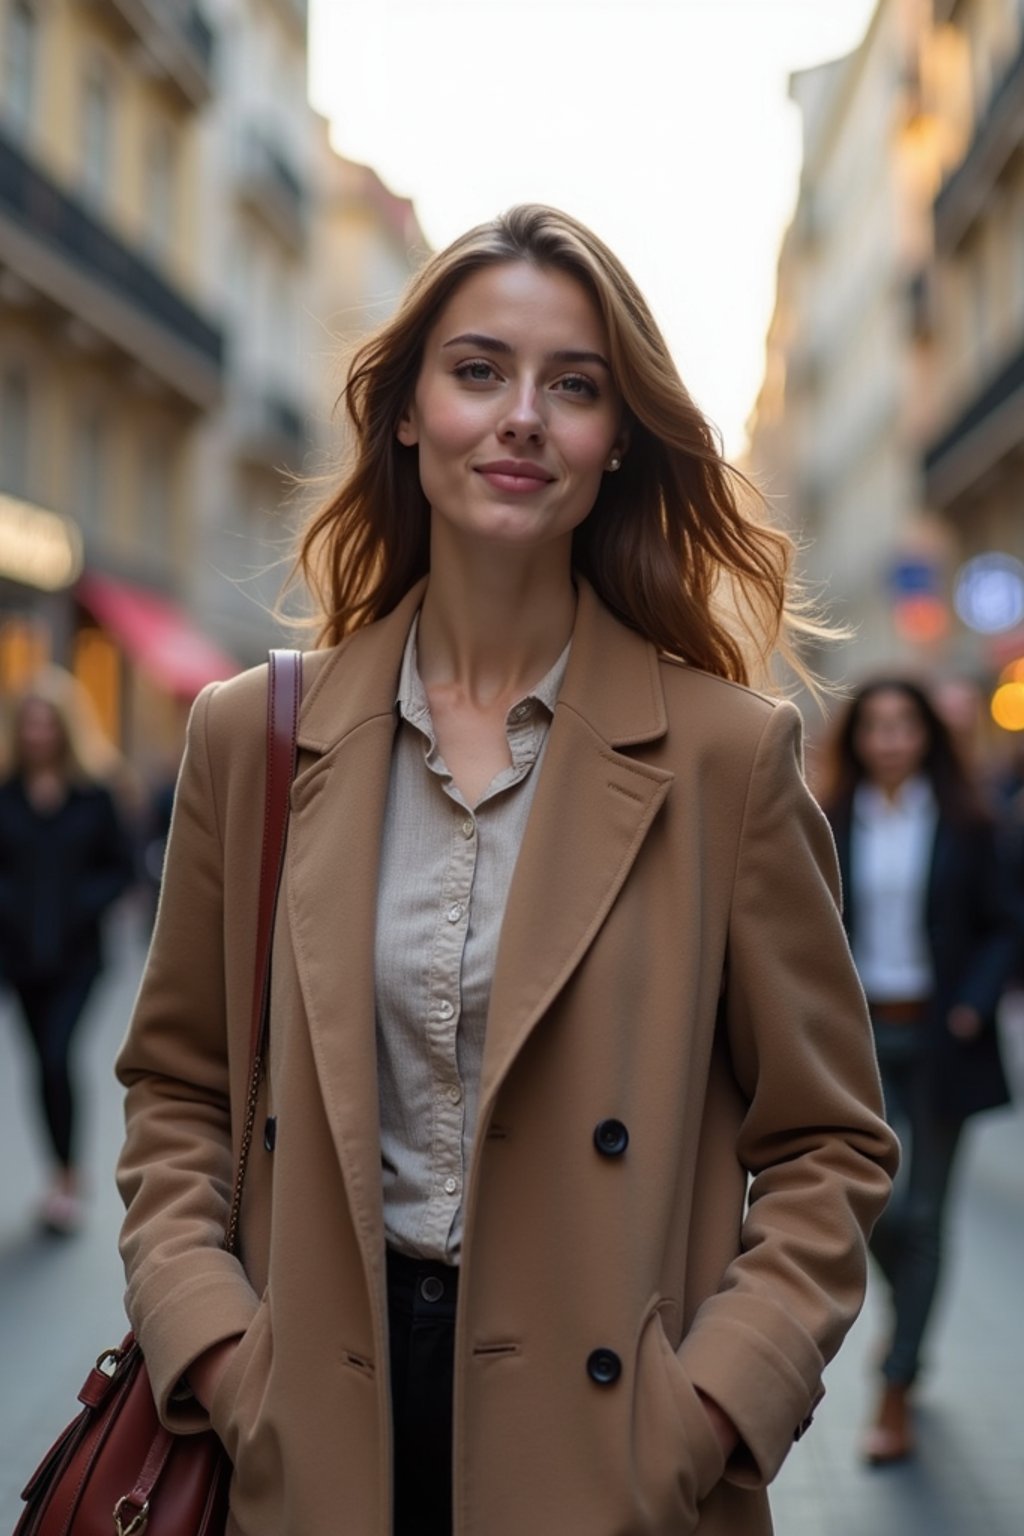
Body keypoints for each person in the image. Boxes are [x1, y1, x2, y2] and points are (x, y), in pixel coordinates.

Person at [115, 205, 898, 1536]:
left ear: (615, 445)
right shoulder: (254, 737)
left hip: (608, 1461)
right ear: (409, 412)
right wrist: (217, 1353)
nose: (523, 416)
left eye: (574, 387)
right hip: (310, 1428)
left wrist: (708, 1410)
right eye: (479, 370)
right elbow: (178, 1091)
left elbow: (830, 1143)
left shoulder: (724, 759)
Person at [820, 677, 1017, 1467]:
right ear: (858, 737)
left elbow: (1007, 922)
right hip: (857, 1039)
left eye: (906, 725)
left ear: (928, 735)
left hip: (941, 1039)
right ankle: (910, 1318)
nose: (891, 739)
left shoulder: (970, 821)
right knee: (875, 1208)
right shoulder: (830, 818)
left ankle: (897, 1388)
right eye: (877, 726)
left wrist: (972, 1004)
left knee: (927, 1215)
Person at [0, 666, 134, 1234]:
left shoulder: (95, 794)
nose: (37, 733)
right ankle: (58, 1172)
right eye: (28, 722)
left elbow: (122, 867)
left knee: (58, 1056)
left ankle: (69, 1180)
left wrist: (81, 904)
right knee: (39, 1065)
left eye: (46, 723)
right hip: (21, 956)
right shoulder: (5, 793)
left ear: (64, 728)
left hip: (78, 957)